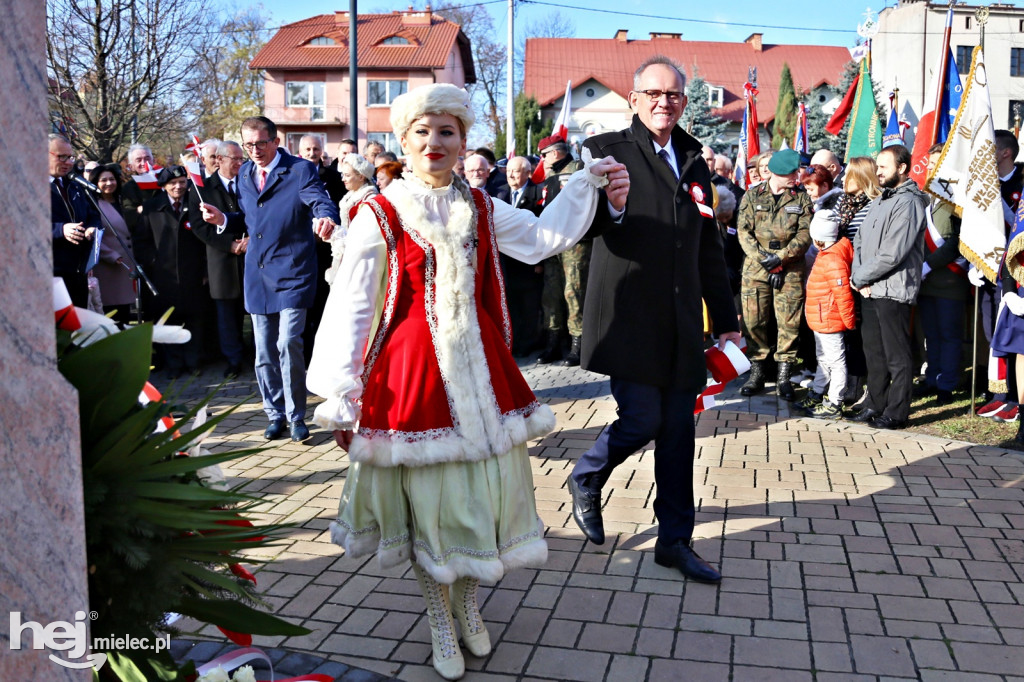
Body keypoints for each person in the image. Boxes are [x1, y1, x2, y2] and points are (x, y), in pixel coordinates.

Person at [306, 83, 628, 680]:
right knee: (429, 505)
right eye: (422, 132)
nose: (435, 142)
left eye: (447, 131)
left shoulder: (481, 204)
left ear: (462, 141)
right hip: (414, 380)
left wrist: (585, 185)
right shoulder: (377, 213)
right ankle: (437, 616)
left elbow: (537, 240)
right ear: (402, 141)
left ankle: (469, 605)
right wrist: (340, 393)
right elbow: (353, 304)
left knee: (477, 499)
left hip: (481, 374)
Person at [567, 56, 739, 584]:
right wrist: (613, 210)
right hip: (631, 316)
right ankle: (589, 475)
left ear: (684, 102)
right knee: (641, 419)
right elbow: (580, 221)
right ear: (636, 99)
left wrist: (727, 318)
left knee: (678, 434)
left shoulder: (693, 158)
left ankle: (675, 542)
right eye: (655, 94)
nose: (665, 102)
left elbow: (707, 244)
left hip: (683, 322)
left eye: (675, 95)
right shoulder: (605, 151)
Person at [199, 116, 340, 442]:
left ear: (276, 142)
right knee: (263, 352)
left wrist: (325, 218)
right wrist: (223, 219)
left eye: (261, 143)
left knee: (288, 343)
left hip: (293, 272)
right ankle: (274, 414)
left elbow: (320, 200)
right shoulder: (246, 172)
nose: (254, 150)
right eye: (248, 145)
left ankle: (296, 417)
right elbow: (250, 218)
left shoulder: (300, 169)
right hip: (258, 275)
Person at [848, 144, 927, 429]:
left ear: (902, 168)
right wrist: (860, 278)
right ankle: (874, 404)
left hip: (893, 289)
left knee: (897, 355)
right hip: (869, 287)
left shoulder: (909, 202)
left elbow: (893, 252)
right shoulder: (881, 199)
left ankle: (896, 411)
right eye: (877, 166)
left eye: (883, 167)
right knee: (875, 352)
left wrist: (860, 277)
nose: (877, 172)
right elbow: (859, 242)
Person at [737, 148, 813, 400]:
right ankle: (757, 373)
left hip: (790, 270)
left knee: (788, 323)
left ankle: (784, 379)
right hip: (756, 270)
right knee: (754, 321)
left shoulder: (801, 198)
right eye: (792, 173)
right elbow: (744, 232)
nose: (796, 177)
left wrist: (780, 258)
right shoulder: (752, 194)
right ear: (778, 172)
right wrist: (765, 260)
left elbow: (805, 234)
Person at [135, 166, 208, 376]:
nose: (178, 187)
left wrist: (205, 270)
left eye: (182, 182)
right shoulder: (151, 208)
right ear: (164, 186)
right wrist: (154, 263)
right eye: (173, 183)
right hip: (163, 278)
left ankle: (194, 363)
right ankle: (174, 365)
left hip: (193, 275)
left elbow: (204, 241)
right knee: (169, 320)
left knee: (195, 321)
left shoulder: (196, 205)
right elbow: (141, 242)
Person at [188, 141, 249, 377]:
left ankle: (256, 356)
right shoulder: (202, 188)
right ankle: (233, 360)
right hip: (221, 260)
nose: (240, 164)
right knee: (226, 314)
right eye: (235, 159)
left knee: (254, 312)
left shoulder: (249, 183)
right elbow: (199, 226)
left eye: (241, 159)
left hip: (250, 256)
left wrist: (250, 239)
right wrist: (229, 245)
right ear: (220, 160)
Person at [916, 143, 970, 406]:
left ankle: (947, 385)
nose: (930, 168)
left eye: (936, 163)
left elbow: (956, 241)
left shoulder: (957, 199)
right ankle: (932, 380)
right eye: (929, 163)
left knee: (949, 336)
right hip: (927, 283)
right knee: (932, 335)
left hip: (949, 280)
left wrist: (928, 265)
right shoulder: (927, 197)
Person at [799, 209, 855, 419]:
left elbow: (843, 295)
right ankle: (819, 391)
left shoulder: (833, 260)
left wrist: (849, 322)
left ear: (819, 238)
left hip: (829, 319)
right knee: (823, 358)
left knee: (836, 360)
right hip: (821, 318)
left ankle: (834, 401)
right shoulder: (826, 255)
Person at [536, 134, 585, 364]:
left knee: (573, 291)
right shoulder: (549, 174)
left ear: (555, 153)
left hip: (575, 242)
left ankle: (578, 344)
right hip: (552, 240)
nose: (542, 160)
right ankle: (553, 343)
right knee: (551, 292)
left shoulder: (579, 169)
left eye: (543, 155)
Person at [502, 156, 546, 356]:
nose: (511, 175)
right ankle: (515, 341)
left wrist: (540, 260)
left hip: (529, 261)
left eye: (516, 171)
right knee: (512, 305)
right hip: (506, 262)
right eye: (509, 170)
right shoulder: (501, 194)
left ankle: (529, 343)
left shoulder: (538, 193)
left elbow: (544, 230)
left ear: (527, 173)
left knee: (529, 305)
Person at [50, 134, 100, 308]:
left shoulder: (75, 185)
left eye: (70, 157)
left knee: (78, 331)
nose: (69, 162)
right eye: (61, 157)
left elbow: (93, 214)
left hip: (78, 273)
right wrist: (60, 230)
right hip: (49, 275)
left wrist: (92, 228)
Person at [88, 164, 135, 323]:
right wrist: (111, 255)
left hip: (129, 265)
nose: (109, 183)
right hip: (109, 266)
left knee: (126, 313)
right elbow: (93, 236)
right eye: (104, 180)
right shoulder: (92, 205)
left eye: (112, 179)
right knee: (111, 314)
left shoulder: (124, 201)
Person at [325, 153, 378, 285]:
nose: (343, 179)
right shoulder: (351, 196)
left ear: (361, 176)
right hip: (346, 254)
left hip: (359, 260)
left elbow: (364, 236)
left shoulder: (369, 200)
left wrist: (338, 234)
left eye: (347, 175)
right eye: (343, 174)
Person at [121, 144, 158, 231]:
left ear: (153, 161)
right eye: (138, 160)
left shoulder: (165, 181)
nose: (144, 163)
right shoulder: (128, 188)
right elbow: (130, 214)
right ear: (131, 166)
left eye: (147, 158)